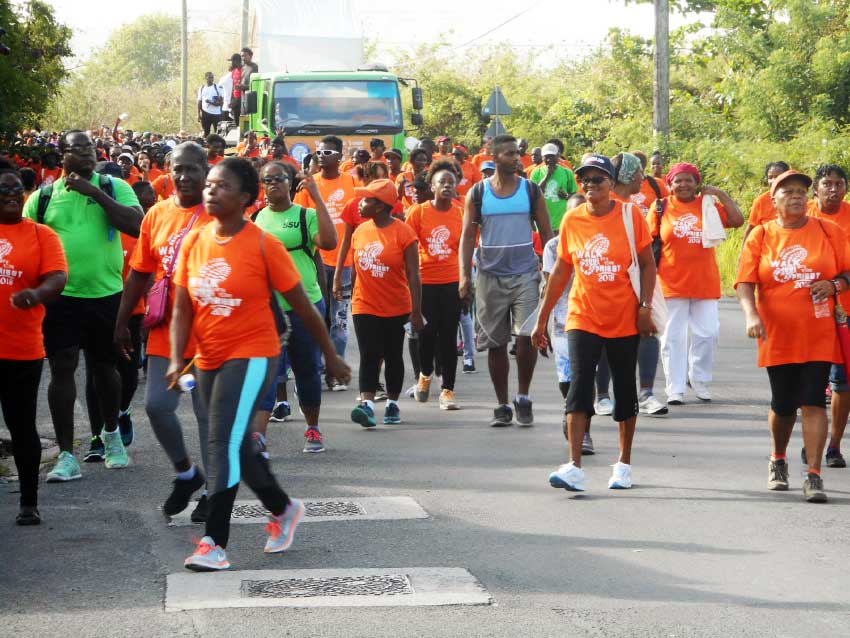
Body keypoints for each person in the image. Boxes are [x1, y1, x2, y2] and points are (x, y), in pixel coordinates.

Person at [170, 157, 350, 570]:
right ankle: (283, 508)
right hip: (208, 356)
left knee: (220, 441)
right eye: (210, 184)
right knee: (237, 443)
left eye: (223, 186)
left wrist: (330, 354)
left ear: (247, 198)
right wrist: (177, 359)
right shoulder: (195, 241)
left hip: (253, 353)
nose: (211, 190)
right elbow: (182, 306)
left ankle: (214, 542)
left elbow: (304, 307)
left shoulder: (263, 244)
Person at [532, 154, 657, 492]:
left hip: (624, 317)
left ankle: (624, 464)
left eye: (598, 179)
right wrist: (541, 319)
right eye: (585, 179)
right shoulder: (573, 220)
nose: (590, 185)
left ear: (612, 184)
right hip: (582, 315)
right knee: (579, 385)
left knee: (624, 389)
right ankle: (574, 465)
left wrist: (645, 306)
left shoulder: (631, 216)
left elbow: (647, 264)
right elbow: (561, 272)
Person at [23, 130, 143, 480]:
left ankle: (111, 437)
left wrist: (95, 194)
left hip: (107, 295)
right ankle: (65, 455)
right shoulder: (43, 198)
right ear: (63, 156)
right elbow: (30, 245)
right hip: (62, 299)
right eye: (78, 149)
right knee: (62, 368)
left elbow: (137, 226)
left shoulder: (113, 186)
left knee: (106, 369)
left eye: (91, 148)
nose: (88, 154)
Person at [111, 142, 214, 520]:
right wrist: (122, 322)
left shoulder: (220, 216)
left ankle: (214, 493)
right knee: (157, 406)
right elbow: (140, 271)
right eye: (178, 169)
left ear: (206, 170)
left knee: (207, 416)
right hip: (165, 331)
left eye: (192, 169)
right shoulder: (155, 214)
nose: (184, 176)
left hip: (209, 334)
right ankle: (187, 473)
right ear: (168, 171)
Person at [736, 170, 850, 503]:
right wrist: (751, 314)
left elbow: (847, 272)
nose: (796, 196)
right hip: (777, 331)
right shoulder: (761, 235)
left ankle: (814, 475)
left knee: (813, 400)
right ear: (773, 201)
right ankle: (779, 458)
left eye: (801, 190)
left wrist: (835, 285)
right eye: (788, 191)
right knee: (783, 404)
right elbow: (745, 283)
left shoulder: (829, 231)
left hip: (818, 330)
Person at [459, 134, 553, 427]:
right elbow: (467, 236)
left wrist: (550, 274)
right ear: (495, 157)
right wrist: (464, 274)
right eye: (510, 154)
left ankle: (523, 396)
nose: (517, 158)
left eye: (517, 153)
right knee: (496, 343)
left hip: (525, 274)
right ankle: (502, 405)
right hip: (489, 275)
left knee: (527, 337)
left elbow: (548, 236)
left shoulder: (531, 191)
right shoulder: (477, 193)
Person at [0, 161, 68, 525]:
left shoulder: (42, 235)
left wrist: (38, 293)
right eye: (4, 190)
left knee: (21, 425)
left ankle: (29, 501)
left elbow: (58, 276)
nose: (12, 194)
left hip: (21, 349)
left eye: (16, 189)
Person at [253, 162, 338, 453]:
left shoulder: (306, 216)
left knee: (307, 370)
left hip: (304, 305)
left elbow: (329, 242)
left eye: (279, 178)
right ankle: (259, 436)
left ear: (290, 183)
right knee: (267, 373)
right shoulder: (256, 218)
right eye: (267, 180)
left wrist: (316, 196)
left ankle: (312, 428)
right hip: (267, 309)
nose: (273, 183)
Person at [654, 162, 744, 404]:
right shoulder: (661, 207)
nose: (683, 184)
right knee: (672, 338)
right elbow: (646, 240)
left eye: (689, 180)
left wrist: (721, 195)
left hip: (704, 282)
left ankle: (699, 379)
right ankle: (674, 389)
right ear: (670, 185)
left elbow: (737, 221)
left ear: (696, 183)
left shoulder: (707, 206)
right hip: (671, 283)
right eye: (678, 180)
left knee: (708, 334)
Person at [83, 181, 156, 461]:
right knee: (96, 371)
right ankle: (96, 437)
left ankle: (122, 411)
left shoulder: (137, 230)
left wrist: (150, 304)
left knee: (127, 372)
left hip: (133, 311)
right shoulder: (93, 229)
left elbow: (146, 273)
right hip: (99, 306)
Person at [348, 179, 424, 427]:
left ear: (380, 206)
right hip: (364, 304)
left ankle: (392, 404)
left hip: (396, 305)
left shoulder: (404, 232)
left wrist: (416, 311)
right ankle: (367, 404)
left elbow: (414, 274)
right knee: (369, 353)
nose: (360, 204)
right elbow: (356, 268)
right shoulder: (360, 231)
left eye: (367, 199)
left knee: (393, 355)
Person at [605, 152, 668, 417]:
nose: (643, 178)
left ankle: (645, 394)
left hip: (638, 278)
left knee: (648, 330)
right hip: (612, 281)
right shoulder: (610, 205)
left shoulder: (631, 206)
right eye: (639, 173)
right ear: (629, 176)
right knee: (605, 337)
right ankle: (604, 396)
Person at [293, 135, 357, 390]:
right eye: (319, 152)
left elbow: (358, 224)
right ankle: (316, 368)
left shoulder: (352, 183)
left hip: (346, 263)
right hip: (315, 262)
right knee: (317, 317)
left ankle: (335, 370)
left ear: (340, 157)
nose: (321, 156)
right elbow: (299, 223)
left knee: (339, 320)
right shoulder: (308, 186)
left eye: (328, 152)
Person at [541, 192, 597, 454]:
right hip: (564, 321)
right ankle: (570, 409)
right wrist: (540, 324)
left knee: (587, 378)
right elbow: (550, 286)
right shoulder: (553, 246)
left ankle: (584, 431)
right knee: (568, 378)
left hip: (596, 319)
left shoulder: (600, 241)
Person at [406, 160, 464, 410]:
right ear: (432, 186)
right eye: (442, 182)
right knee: (426, 335)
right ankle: (425, 375)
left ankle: (448, 390)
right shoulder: (418, 212)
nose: (447, 186)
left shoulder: (461, 213)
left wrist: (468, 282)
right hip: (424, 283)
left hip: (452, 282)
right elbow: (407, 248)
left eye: (452, 182)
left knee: (449, 338)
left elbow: (465, 249)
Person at [807, 164, 850, 468]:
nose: (833, 189)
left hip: (845, 312)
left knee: (843, 383)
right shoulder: (801, 215)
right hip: (807, 313)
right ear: (816, 189)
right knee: (810, 381)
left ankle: (834, 444)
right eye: (827, 184)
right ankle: (812, 441)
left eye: (839, 184)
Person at [530, 143, 578, 231]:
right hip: (542, 224)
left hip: (562, 223)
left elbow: (575, 196)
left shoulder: (567, 172)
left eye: (552, 156)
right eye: (546, 157)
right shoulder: (537, 172)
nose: (549, 159)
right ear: (542, 157)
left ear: (558, 156)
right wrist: (547, 176)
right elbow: (534, 194)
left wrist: (567, 196)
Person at [744, 161, 790, 239]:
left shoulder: (796, 198)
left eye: (778, 176)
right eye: (770, 177)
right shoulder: (760, 201)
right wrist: (744, 250)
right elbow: (752, 228)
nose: (773, 180)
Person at [197, 71, 224, 137]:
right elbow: (199, 101)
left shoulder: (217, 87)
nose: (211, 79)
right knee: (206, 132)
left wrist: (211, 102)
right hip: (205, 113)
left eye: (212, 77)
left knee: (218, 132)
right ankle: (206, 146)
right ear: (206, 78)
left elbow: (222, 100)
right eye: (210, 77)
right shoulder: (202, 88)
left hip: (217, 113)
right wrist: (198, 114)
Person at [228, 54, 243, 122]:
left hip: (242, 100)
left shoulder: (243, 70)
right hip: (235, 100)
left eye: (232, 61)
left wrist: (237, 100)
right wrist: (231, 100)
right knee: (236, 121)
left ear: (236, 61)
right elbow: (233, 86)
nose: (231, 63)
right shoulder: (234, 71)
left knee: (241, 121)